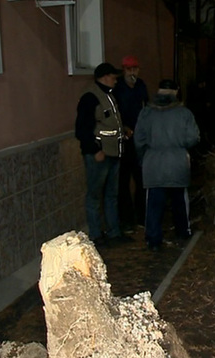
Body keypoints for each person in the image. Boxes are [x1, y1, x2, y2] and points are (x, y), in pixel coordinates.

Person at [134, 79, 200, 252]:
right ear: (176, 92)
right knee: (179, 200)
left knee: (154, 203)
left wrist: (144, 158)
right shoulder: (184, 113)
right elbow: (193, 138)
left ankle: (153, 239)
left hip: (153, 161)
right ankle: (183, 232)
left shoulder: (146, 113)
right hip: (177, 161)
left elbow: (138, 140)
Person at [75, 62, 131, 247]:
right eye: (114, 77)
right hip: (100, 155)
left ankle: (114, 232)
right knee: (94, 195)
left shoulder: (109, 95)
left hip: (113, 152)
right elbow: (82, 129)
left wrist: (123, 130)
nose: (116, 81)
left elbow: (108, 122)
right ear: (105, 77)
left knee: (110, 194)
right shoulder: (91, 97)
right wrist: (94, 150)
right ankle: (96, 235)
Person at [113, 55, 149, 231]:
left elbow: (146, 107)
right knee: (123, 180)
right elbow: (115, 111)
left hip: (139, 138)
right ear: (124, 70)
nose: (132, 72)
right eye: (129, 69)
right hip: (124, 138)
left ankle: (142, 216)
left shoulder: (140, 85)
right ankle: (126, 218)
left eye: (135, 68)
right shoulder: (118, 87)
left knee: (141, 178)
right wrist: (123, 127)